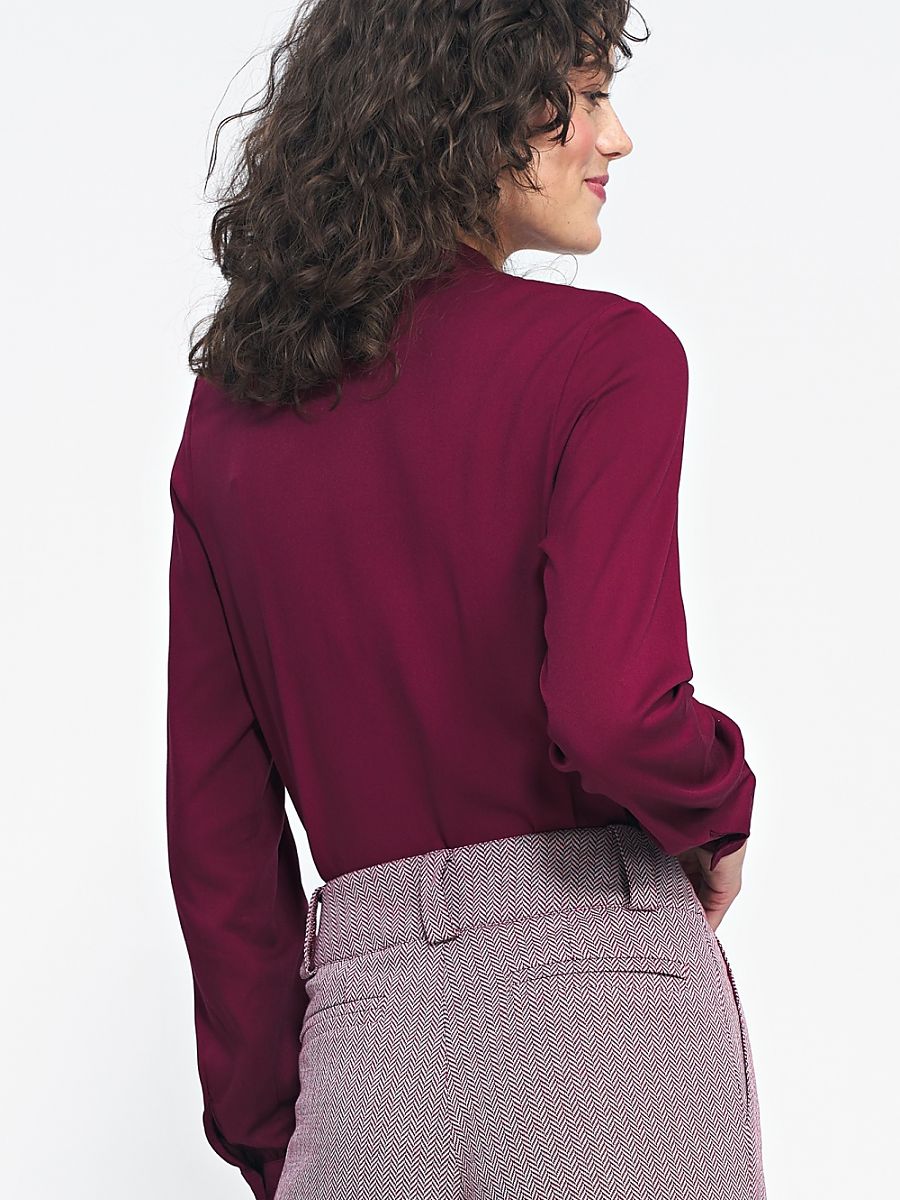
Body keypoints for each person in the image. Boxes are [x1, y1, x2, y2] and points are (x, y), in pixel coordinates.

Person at [166, 2, 767, 1198]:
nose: (616, 137)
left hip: (364, 1039)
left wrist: (279, 1127)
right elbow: (611, 711)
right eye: (584, 97)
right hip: (600, 1004)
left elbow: (216, 833)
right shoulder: (604, 361)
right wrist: (716, 808)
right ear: (472, 109)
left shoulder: (230, 428)